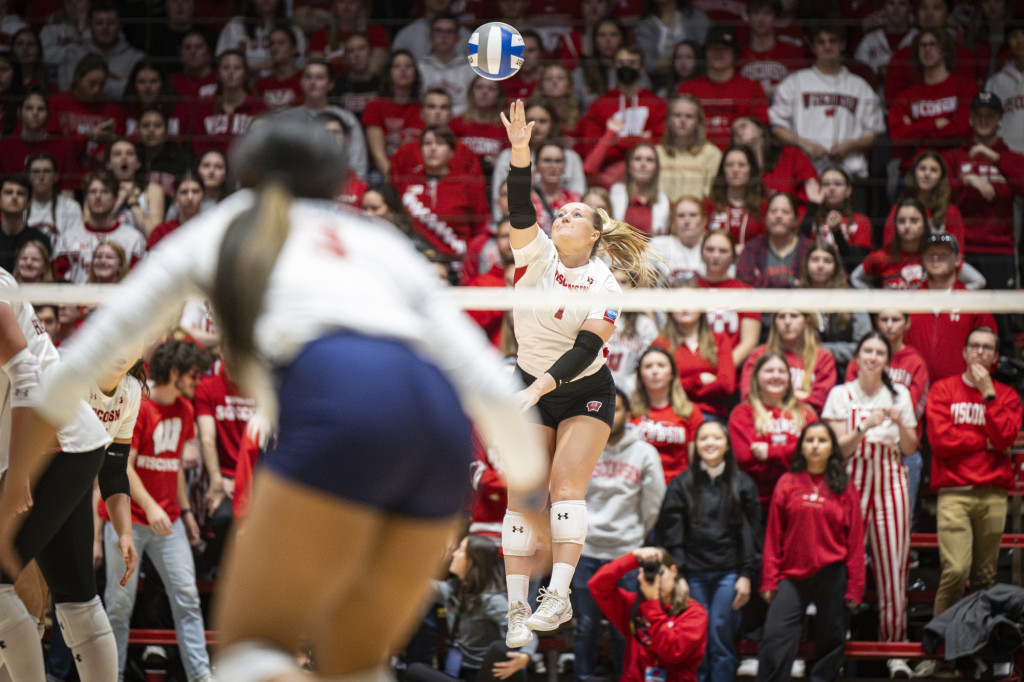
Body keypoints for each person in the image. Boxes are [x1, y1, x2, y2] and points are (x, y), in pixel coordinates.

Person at [2, 119, 548, 681]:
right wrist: (533, 499)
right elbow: (483, 376)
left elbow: (74, 370)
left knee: (253, 651)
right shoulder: (378, 240)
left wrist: (10, 496)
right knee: (356, 663)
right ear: (337, 180)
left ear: (246, 174)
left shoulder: (227, 224)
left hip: (344, 394)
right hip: (440, 421)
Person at [500, 99, 655, 647]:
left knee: (565, 487)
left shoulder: (605, 286)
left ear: (593, 235)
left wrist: (538, 388)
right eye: (560, 212)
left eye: (574, 215)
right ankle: (517, 611)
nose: (561, 216)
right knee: (522, 497)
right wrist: (520, 152)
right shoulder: (535, 254)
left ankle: (559, 595)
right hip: (529, 384)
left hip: (583, 387)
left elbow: (586, 347)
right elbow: (522, 205)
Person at [0, 270, 130, 682]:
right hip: (72, 443)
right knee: (77, 597)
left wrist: (20, 471)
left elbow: (25, 376)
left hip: (55, 445)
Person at [101, 339, 215, 682]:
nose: (199, 380)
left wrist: (187, 512)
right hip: (127, 522)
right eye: (193, 373)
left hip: (170, 522)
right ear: (175, 372)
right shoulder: (140, 403)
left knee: (188, 599)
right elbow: (122, 467)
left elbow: (173, 467)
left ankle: (200, 676)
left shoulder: (185, 409)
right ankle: (112, 676)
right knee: (118, 608)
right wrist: (150, 506)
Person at [822, 332, 918, 678]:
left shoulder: (900, 394)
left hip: (891, 476)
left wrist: (901, 422)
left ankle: (896, 651)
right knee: (842, 565)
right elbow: (837, 449)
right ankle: (835, 641)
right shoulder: (840, 394)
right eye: (868, 351)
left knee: (894, 567)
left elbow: (910, 448)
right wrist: (866, 425)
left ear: (887, 360)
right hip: (850, 477)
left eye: (880, 352)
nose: (874, 356)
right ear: (858, 357)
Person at [755, 422, 865, 682]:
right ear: (801, 447)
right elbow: (773, 536)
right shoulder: (787, 482)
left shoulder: (844, 486)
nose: (815, 445)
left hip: (832, 573)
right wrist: (769, 579)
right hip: (791, 576)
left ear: (832, 449)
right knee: (774, 637)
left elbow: (856, 541)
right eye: (810, 440)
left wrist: (855, 587)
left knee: (832, 640)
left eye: (822, 441)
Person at [925, 327, 1023, 618]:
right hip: (955, 494)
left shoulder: (1005, 395)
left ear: (995, 357)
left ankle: (975, 655)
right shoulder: (943, 390)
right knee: (955, 571)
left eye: (987, 348)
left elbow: (1005, 438)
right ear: (964, 352)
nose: (980, 352)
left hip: (993, 494)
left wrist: (988, 395)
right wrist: (984, 442)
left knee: (984, 577)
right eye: (975, 346)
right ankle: (942, 651)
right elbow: (941, 442)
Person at [656, 420, 760, 682]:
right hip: (693, 575)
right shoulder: (681, 484)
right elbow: (672, 533)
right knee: (696, 638)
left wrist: (746, 575)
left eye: (716, 438)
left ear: (727, 445)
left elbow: (751, 536)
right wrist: (678, 578)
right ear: (696, 445)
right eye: (703, 438)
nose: (710, 443)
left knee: (720, 634)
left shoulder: (743, 484)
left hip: (729, 574)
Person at [574, 389, 666, 682]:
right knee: (585, 626)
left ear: (628, 413)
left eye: (617, 408)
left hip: (627, 552)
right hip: (586, 550)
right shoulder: (581, 447)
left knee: (624, 627)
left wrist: (636, 533)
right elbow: (568, 495)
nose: (610, 413)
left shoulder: (644, 452)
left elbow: (653, 502)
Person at [407, 534, 534, 682]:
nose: (454, 554)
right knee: (414, 671)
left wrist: (526, 656)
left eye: (460, 550)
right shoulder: (453, 589)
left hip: (482, 675)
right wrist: (433, 561)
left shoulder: (492, 600)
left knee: (413, 670)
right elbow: (419, 586)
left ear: (473, 560)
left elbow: (526, 630)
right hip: (459, 671)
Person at [769, 23, 884, 184]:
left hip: (850, 175)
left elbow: (876, 131)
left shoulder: (860, 87)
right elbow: (777, 127)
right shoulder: (794, 83)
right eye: (821, 42)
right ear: (813, 47)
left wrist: (850, 146)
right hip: (804, 174)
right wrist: (804, 144)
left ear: (843, 44)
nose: (827, 46)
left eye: (833, 41)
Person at [846, 309, 929, 531]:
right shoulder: (859, 361)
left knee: (899, 520)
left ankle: (901, 547)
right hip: (862, 444)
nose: (890, 325)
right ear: (876, 322)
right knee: (855, 519)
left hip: (901, 447)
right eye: (884, 320)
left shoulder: (915, 361)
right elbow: (850, 402)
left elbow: (913, 408)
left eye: (895, 319)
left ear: (907, 323)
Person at [589, 546, 708, 682]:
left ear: (674, 571)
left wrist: (653, 603)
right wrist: (633, 558)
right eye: (650, 572)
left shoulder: (694, 613)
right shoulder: (634, 606)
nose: (656, 579)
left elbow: (672, 652)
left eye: (660, 572)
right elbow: (597, 585)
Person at [729, 351, 816, 516]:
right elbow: (746, 458)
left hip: (799, 501)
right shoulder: (742, 413)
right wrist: (793, 455)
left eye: (781, 371)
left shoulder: (805, 413)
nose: (776, 376)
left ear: (789, 378)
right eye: (769, 371)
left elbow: (814, 452)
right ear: (756, 377)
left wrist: (770, 452)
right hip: (756, 503)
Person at [904, 233, 999, 383]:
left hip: (959, 396)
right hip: (914, 391)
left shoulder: (973, 303)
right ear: (922, 260)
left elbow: (991, 350)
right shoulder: (909, 302)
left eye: (943, 254)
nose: (936, 258)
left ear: (957, 260)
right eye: (930, 254)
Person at [887, 28, 977, 175]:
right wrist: (934, 124)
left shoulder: (967, 88)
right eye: (922, 45)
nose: (927, 50)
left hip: (955, 167)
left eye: (933, 44)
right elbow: (898, 137)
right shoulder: (905, 96)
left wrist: (916, 134)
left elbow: (962, 130)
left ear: (946, 51)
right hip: (913, 169)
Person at [576, 44, 668, 179]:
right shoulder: (599, 106)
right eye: (621, 63)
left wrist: (616, 141)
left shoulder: (658, 104)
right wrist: (642, 138)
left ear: (641, 68)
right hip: (608, 175)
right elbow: (591, 151)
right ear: (614, 66)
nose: (626, 67)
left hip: (650, 173)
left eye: (632, 63)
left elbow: (661, 146)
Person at [676, 25, 769, 150]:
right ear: (706, 52)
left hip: (738, 159)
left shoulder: (752, 88)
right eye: (713, 48)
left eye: (724, 48)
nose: (718, 53)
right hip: (694, 156)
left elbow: (760, 128)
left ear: (734, 53)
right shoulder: (687, 89)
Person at [631, 346, 705, 486]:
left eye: (661, 365)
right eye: (648, 366)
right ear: (640, 375)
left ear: (672, 373)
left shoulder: (690, 411)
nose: (654, 371)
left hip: (678, 487)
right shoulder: (629, 412)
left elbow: (695, 463)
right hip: (638, 486)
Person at [740, 309, 838, 414]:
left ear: (807, 321)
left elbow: (819, 402)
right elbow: (749, 395)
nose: (787, 322)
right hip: (763, 419)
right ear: (774, 322)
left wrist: (772, 395)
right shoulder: (759, 354)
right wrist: (800, 394)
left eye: (794, 316)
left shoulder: (823, 357)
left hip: (805, 422)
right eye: (781, 317)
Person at [799, 242, 872, 376]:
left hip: (845, 374)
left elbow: (865, 346)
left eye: (827, 261)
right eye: (815, 260)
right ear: (806, 265)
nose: (820, 265)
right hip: (804, 371)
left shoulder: (852, 299)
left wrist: (821, 350)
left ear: (836, 267)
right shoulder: (795, 299)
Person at [654, 302, 735, 420]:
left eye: (691, 301)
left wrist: (682, 387)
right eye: (679, 302)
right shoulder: (661, 344)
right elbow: (659, 386)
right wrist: (698, 381)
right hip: (674, 413)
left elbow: (727, 385)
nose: (685, 307)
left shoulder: (719, 339)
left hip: (711, 414)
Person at [55, 0, 144, 100]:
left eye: (110, 23)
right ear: (90, 25)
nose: (104, 27)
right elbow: (67, 91)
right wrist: (118, 82)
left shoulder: (136, 59)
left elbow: (134, 96)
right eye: (99, 23)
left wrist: (87, 83)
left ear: (120, 25)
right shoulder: (73, 53)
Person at [696, 229, 760, 367]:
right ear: (701, 253)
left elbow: (749, 341)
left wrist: (724, 369)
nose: (716, 255)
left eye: (723, 251)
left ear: (733, 257)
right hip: (693, 367)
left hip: (732, 371)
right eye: (710, 249)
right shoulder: (690, 291)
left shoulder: (746, 292)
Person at [881, 151, 965, 249]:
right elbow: (888, 248)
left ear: (941, 177)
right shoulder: (898, 209)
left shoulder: (951, 211)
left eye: (933, 170)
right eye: (922, 169)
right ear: (914, 173)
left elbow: (957, 251)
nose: (927, 174)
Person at [736, 192, 813, 289]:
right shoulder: (753, 247)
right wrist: (791, 282)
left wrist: (762, 280)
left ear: (795, 220)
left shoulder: (808, 248)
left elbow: (812, 284)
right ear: (766, 218)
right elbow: (744, 280)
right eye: (773, 211)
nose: (778, 216)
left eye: (785, 212)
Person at [656, 95, 722, 203]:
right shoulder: (656, 153)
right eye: (677, 115)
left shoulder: (712, 154)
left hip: (696, 216)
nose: (682, 120)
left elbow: (712, 195)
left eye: (689, 116)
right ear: (668, 120)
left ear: (698, 122)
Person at [633, 0, 710, 89]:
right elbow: (646, 63)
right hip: (657, 86)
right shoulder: (645, 25)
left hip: (696, 83)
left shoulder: (695, 17)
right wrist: (682, 62)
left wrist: (663, 63)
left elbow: (704, 55)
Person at [703, 145, 766, 252]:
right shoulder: (708, 204)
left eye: (741, 165)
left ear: (751, 170)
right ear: (723, 170)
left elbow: (767, 242)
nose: (735, 170)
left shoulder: (763, 207)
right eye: (730, 165)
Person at [738, 0, 806, 99]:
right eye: (756, 13)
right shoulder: (738, 54)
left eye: (767, 13)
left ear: (775, 18)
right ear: (748, 17)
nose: (761, 19)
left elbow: (800, 86)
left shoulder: (792, 51)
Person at [650, 195, 707, 283]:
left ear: (703, 221)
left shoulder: (713, 247)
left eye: (693, 215)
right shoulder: (657, 245)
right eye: (681, 216)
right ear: (673, 222)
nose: (687, 221)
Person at [0, 173, 50, 273]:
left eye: (20, 193)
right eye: (9, 192)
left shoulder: (40, 239)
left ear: (28, 202)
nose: (14, 197)